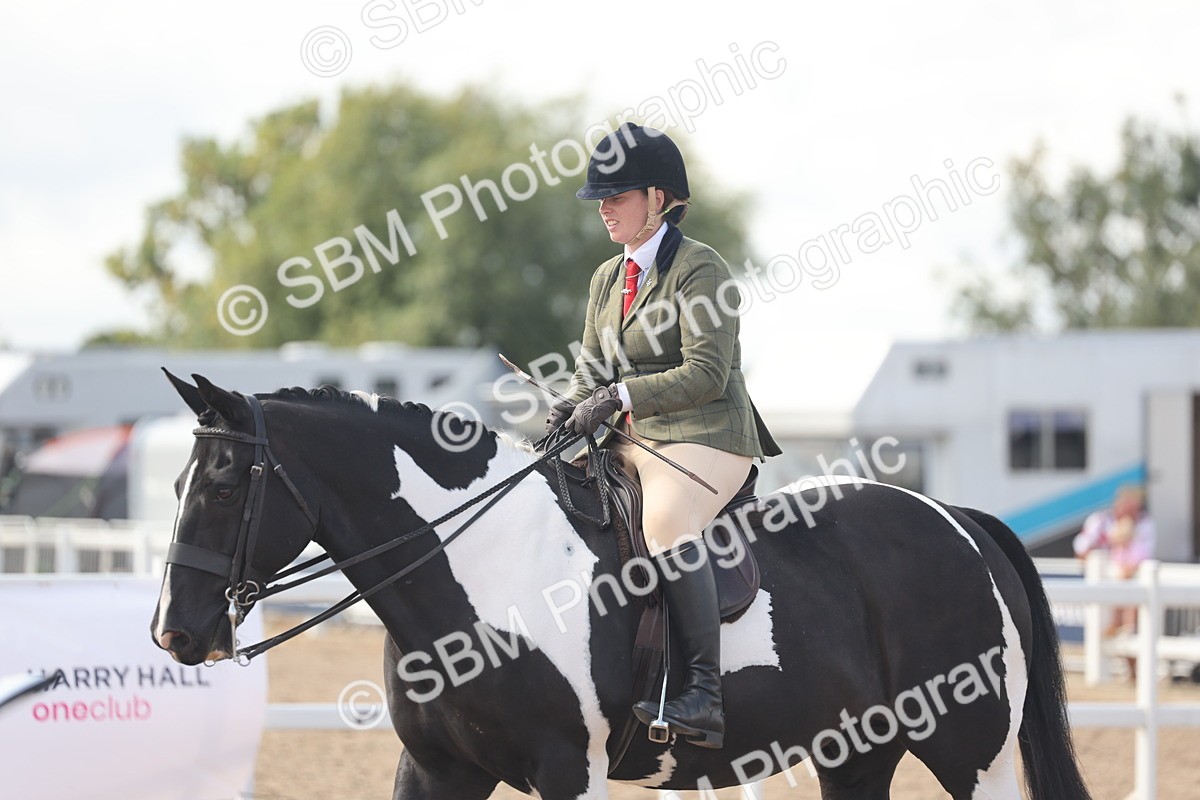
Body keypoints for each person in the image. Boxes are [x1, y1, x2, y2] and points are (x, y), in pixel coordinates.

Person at [545, 122, 780, 749]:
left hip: (709, 434)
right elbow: (590, 371)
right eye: (601, 196)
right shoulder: (605, 279)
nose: (604, 207)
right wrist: (568, 410)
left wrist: (616, 398)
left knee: (666, 526)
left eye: (617, 195)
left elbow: (706, 373)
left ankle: (702, 693)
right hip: (635, 439)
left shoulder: (702, 268)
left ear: (658, 197)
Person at [1073, 484, 1155, 637]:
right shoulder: (1101, 521)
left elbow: (1142, 553)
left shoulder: (1143, 523)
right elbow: (1081, 548)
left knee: (1127, 586)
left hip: (1122, 575)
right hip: (1104, 575)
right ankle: (1120, 625)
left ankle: (1122, 626)